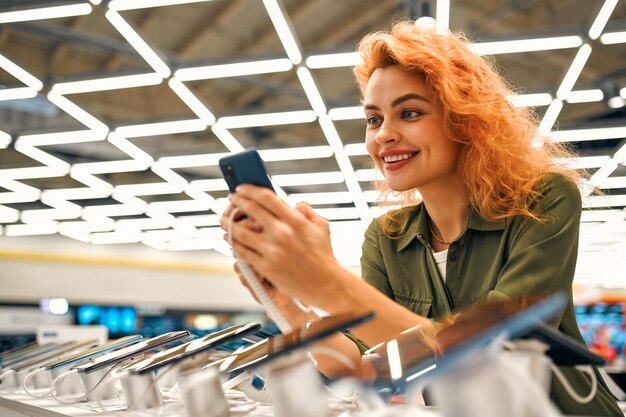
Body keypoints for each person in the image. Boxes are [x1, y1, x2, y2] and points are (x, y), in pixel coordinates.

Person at [220, 20, 622, 416]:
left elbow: (486, 349)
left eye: (409, 113)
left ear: (465, 121)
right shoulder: (387, 237)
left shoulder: (543, 199)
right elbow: (361, 367)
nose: (383, 135)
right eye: (374, 118)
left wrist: (328, 281)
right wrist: (288, 307)